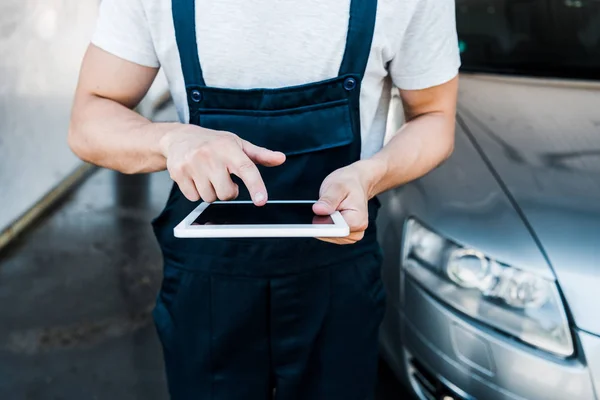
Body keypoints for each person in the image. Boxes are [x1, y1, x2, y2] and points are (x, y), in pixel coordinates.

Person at [69, 0, 459, 398]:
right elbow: (90, 119)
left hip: (338, 276)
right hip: (206, 285)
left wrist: (371, 175)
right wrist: (170, 140)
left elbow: (434, 116)